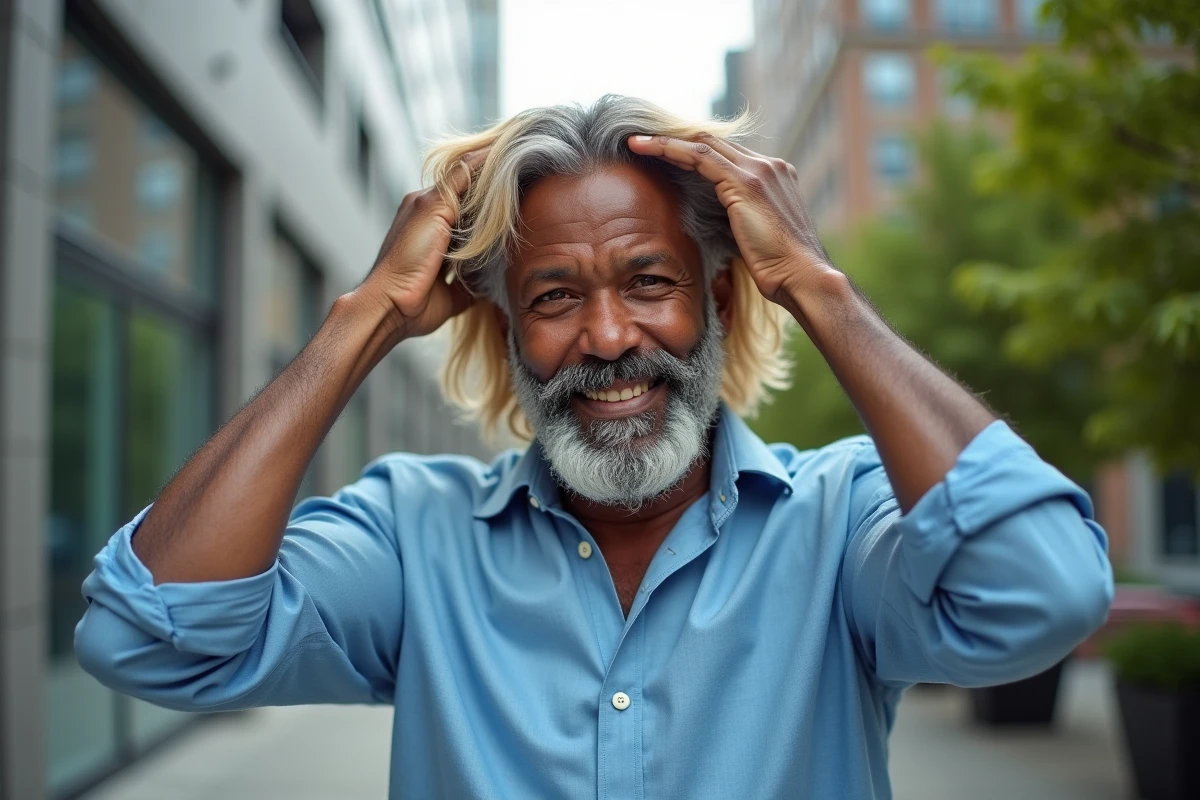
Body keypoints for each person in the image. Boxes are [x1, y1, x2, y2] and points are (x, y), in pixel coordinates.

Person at [75, 95, 1113, 799]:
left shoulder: (841, 523)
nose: (609, 337)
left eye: (649, 282)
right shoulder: (414, 536)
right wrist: (367, 317)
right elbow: (146, 634)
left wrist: (817, 288)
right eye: (554, 297)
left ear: (719, 301)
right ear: (503, 330)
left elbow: (1046, 590)